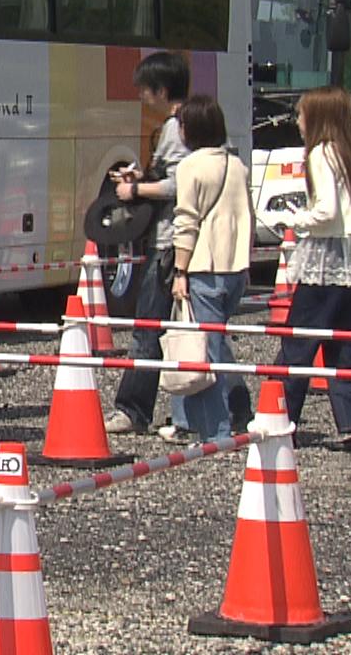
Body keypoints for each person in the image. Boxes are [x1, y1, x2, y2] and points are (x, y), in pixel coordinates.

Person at [264, 85, 351, 452]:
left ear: (316, 117)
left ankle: (279, 419)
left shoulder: (319, 153)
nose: (298, 122)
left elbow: (326, 212)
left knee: (298, 341)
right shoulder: (348, 152)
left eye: (301, 114)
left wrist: (295, 220)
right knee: (346, 344)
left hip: (327, 262)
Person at [106, 51, 192, 435]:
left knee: (148, 328)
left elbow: (178, 184)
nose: (141, 94)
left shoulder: (177, 127)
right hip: (175, 238)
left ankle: (132, 410)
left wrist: (135, 188)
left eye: (144, 88)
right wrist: (141, 175)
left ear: (161, 89)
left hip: (169, 239)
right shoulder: (185, 123)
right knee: (179, 330)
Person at [167, 95, 254, 440]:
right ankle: (205, 415)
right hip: (236, 268)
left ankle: (215, 430)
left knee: (203, 352)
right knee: (215, 344)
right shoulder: (238, 166)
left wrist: (179, 271)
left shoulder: (190, 167)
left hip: (204, 266)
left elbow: (186, 221)